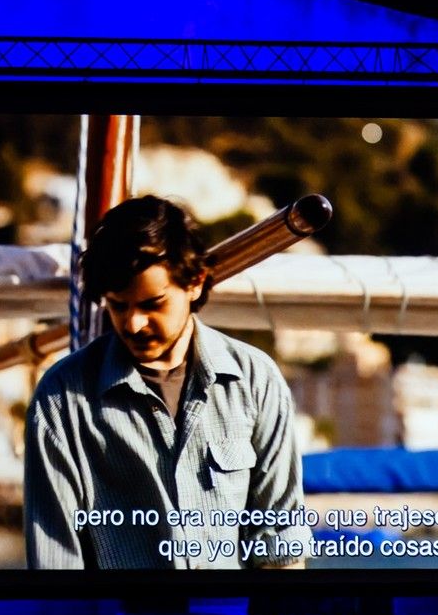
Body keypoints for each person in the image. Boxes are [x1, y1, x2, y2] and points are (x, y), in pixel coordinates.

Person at [24, 195, 308, 569]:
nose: (132, 324)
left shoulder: (257, 381)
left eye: (152, 304)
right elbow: (56, 567)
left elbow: (279, 548)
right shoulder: (60, 402)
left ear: (195, 283)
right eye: (118, 305)